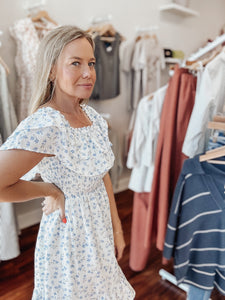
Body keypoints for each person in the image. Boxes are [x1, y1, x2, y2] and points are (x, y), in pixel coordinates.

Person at [0, 25, 135, 299]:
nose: (88, 72)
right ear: (51, 70)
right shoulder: (47, 125)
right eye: (76, 63)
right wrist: (51, 190)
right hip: (69, 241)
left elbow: (101, 174)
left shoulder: (91, 116)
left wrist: (117, 229)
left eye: (91, 63)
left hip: (98, 231)